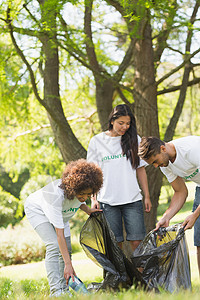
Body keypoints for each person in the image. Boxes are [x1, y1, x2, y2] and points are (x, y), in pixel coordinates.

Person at [24, 159, 103, 297]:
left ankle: (64, 289)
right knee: (54, 245)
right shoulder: (56, 197)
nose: (84, 198)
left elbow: (78, 202)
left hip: (61, 214)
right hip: (37, 210)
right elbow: (59, 235)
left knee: (67, 248)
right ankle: (56, 291)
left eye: (88, 195)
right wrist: (68, 265)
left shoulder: (79, 192)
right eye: (82, 194)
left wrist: (87, 210)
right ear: (73, 188)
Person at [87, 104, 152, 252]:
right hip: (107, 201)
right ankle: (120, 276)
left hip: (132, 199)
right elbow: (92, 174)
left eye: (128, 123)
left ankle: (139, 275)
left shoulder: (134, 139)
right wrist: (93, 198)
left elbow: (141, 169)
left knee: (137, 243)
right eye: (121, 123)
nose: (125, 127)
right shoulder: (97, 141)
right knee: (115, 246)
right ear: (112, 121)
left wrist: (147, 196)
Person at [138, 135, 200, 275]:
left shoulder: (192, 149)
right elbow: (180, 191)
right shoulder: (164, 164)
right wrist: (166, 217)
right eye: (152, 164)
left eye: (155, 161)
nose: (155, 166)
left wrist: (195, 214)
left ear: (163, 148)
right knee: (199, 242)